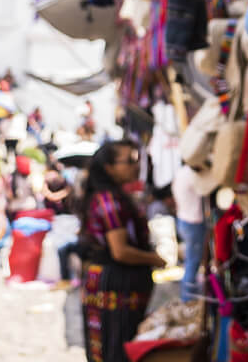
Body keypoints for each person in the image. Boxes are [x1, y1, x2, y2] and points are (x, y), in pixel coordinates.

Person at [78, 141, 164, 362]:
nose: (136, 166)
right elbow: (120, 251)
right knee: (116, 349)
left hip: (114, 284)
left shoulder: (112, 196)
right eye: (130, 161)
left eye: (137, 160)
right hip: (115, 285)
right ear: (109, 168)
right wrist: (154, 258)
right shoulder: (109, 200)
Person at [170, 164, 205, 302]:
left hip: (184, 219)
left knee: (191, 260)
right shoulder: (191, 174)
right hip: (192, 221)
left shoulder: (180, 173)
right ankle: (188, 298)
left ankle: (189, 296)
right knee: (192, 262)